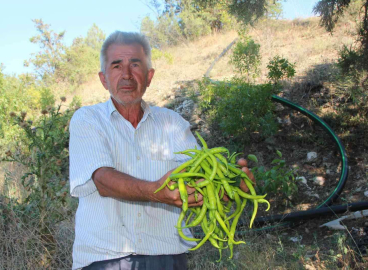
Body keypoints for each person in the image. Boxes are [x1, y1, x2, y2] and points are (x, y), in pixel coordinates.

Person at [69, 31, 255, 270]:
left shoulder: (173, 123)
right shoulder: (87, 119)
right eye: (116, 66)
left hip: (167, 256)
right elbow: (103, 181)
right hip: (104, 257)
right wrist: (156, 191)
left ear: (149, 76)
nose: (126, 75)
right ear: (103, 78)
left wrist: (229, 187)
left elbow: (201, 182)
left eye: (135, 65)